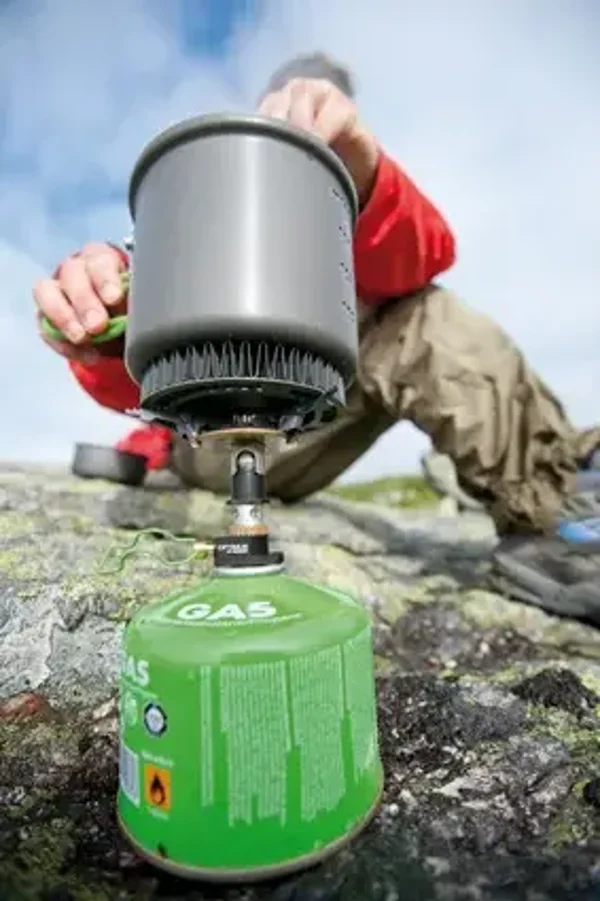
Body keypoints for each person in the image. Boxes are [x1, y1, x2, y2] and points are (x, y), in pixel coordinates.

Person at [33, 52, 600, 620]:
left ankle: (555, 519)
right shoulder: (210, 206)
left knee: (425, 317)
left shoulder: (347, 203)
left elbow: (423, 256)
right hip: (207, 432)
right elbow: (137, 379)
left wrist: (362, 176)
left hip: (309, 407)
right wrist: (108, 320)